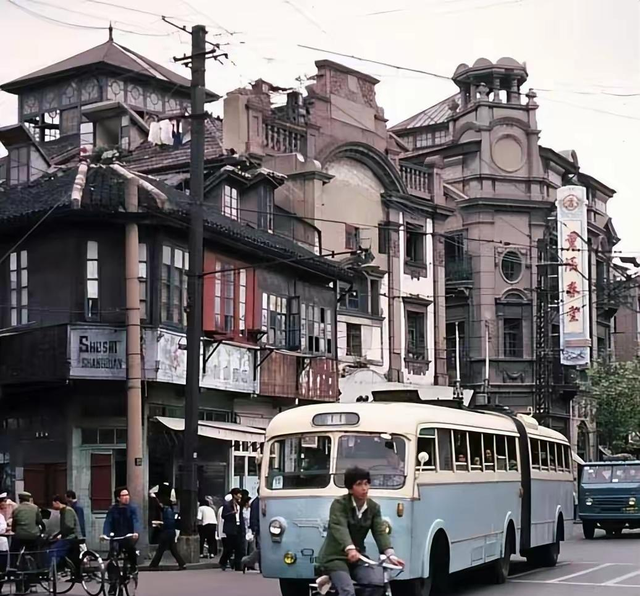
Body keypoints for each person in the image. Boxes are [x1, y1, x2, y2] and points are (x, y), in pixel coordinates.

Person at [316, 467, 404, 596]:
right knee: (348, 591)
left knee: (376, 584)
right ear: (350, 488)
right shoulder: (339, 505)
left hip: (358, 557)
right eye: (359, 484)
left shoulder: (373, 507)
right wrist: (350, 548)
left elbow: (379, 531)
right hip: (335, 558)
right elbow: (339, 527)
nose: (364, 488)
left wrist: (390, 554)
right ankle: (331, 578)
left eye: (366, 483)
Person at [102, 487, 140, 596]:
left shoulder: (132, 508)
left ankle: (133, 568)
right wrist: (105, 534)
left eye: (127, 495)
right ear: (118, 498)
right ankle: (112, 584)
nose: (127, 497)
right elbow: (108, 522)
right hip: (116, 538)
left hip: (128, 537)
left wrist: (136, 532)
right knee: (112, 559)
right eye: (124, 495)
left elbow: (136, 520)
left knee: (131, 551)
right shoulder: (112, 509)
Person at [10, 492, 44, 594]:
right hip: (33, 537)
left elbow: (14, 525)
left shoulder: (16, 509)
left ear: (20, 499)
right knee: (35, 554)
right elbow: (39, 521)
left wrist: (15, 530)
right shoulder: (35, 508)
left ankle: (14, 568)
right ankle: (34, 578)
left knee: (14, 553)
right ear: (29, 499)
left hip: (19, 537)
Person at [148, 494, 186, 570]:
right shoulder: (170, 510)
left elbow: (159, 506)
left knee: (160, 550)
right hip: (171, 532)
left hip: (166, 532)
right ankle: (181, 563)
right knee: (173, 549)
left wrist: (154, 497)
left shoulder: (166, 510)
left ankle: (154, 565)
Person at [51, 495, 82, 574]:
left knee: (55, 549)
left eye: (53, 504)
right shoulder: (64, 511)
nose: (52, 506)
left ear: (57, 502)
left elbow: (69, 526)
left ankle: (58, 568)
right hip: (69, 536)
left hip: (71, 537)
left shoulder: (67, 511)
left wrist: (60, 535)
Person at [219, 488, 244, 571]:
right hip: (230, 527)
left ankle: (238, 565)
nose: (240, 496)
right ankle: (223, 561)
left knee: (239, 547)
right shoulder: (228, 505)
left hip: (238, 526)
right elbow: (224, 515)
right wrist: (231, 513)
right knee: (229, 547)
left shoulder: (240, 504)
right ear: (234, 495)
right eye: (238, 494)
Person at [241, 492, 261, 572]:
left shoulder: (260, 501)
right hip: (260, 528)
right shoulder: (257, 502)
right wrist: (255, 528)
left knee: (260, 548)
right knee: (261, 548)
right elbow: (254, 517)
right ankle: (247, 560)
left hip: (262, 528)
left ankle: (249, 561)